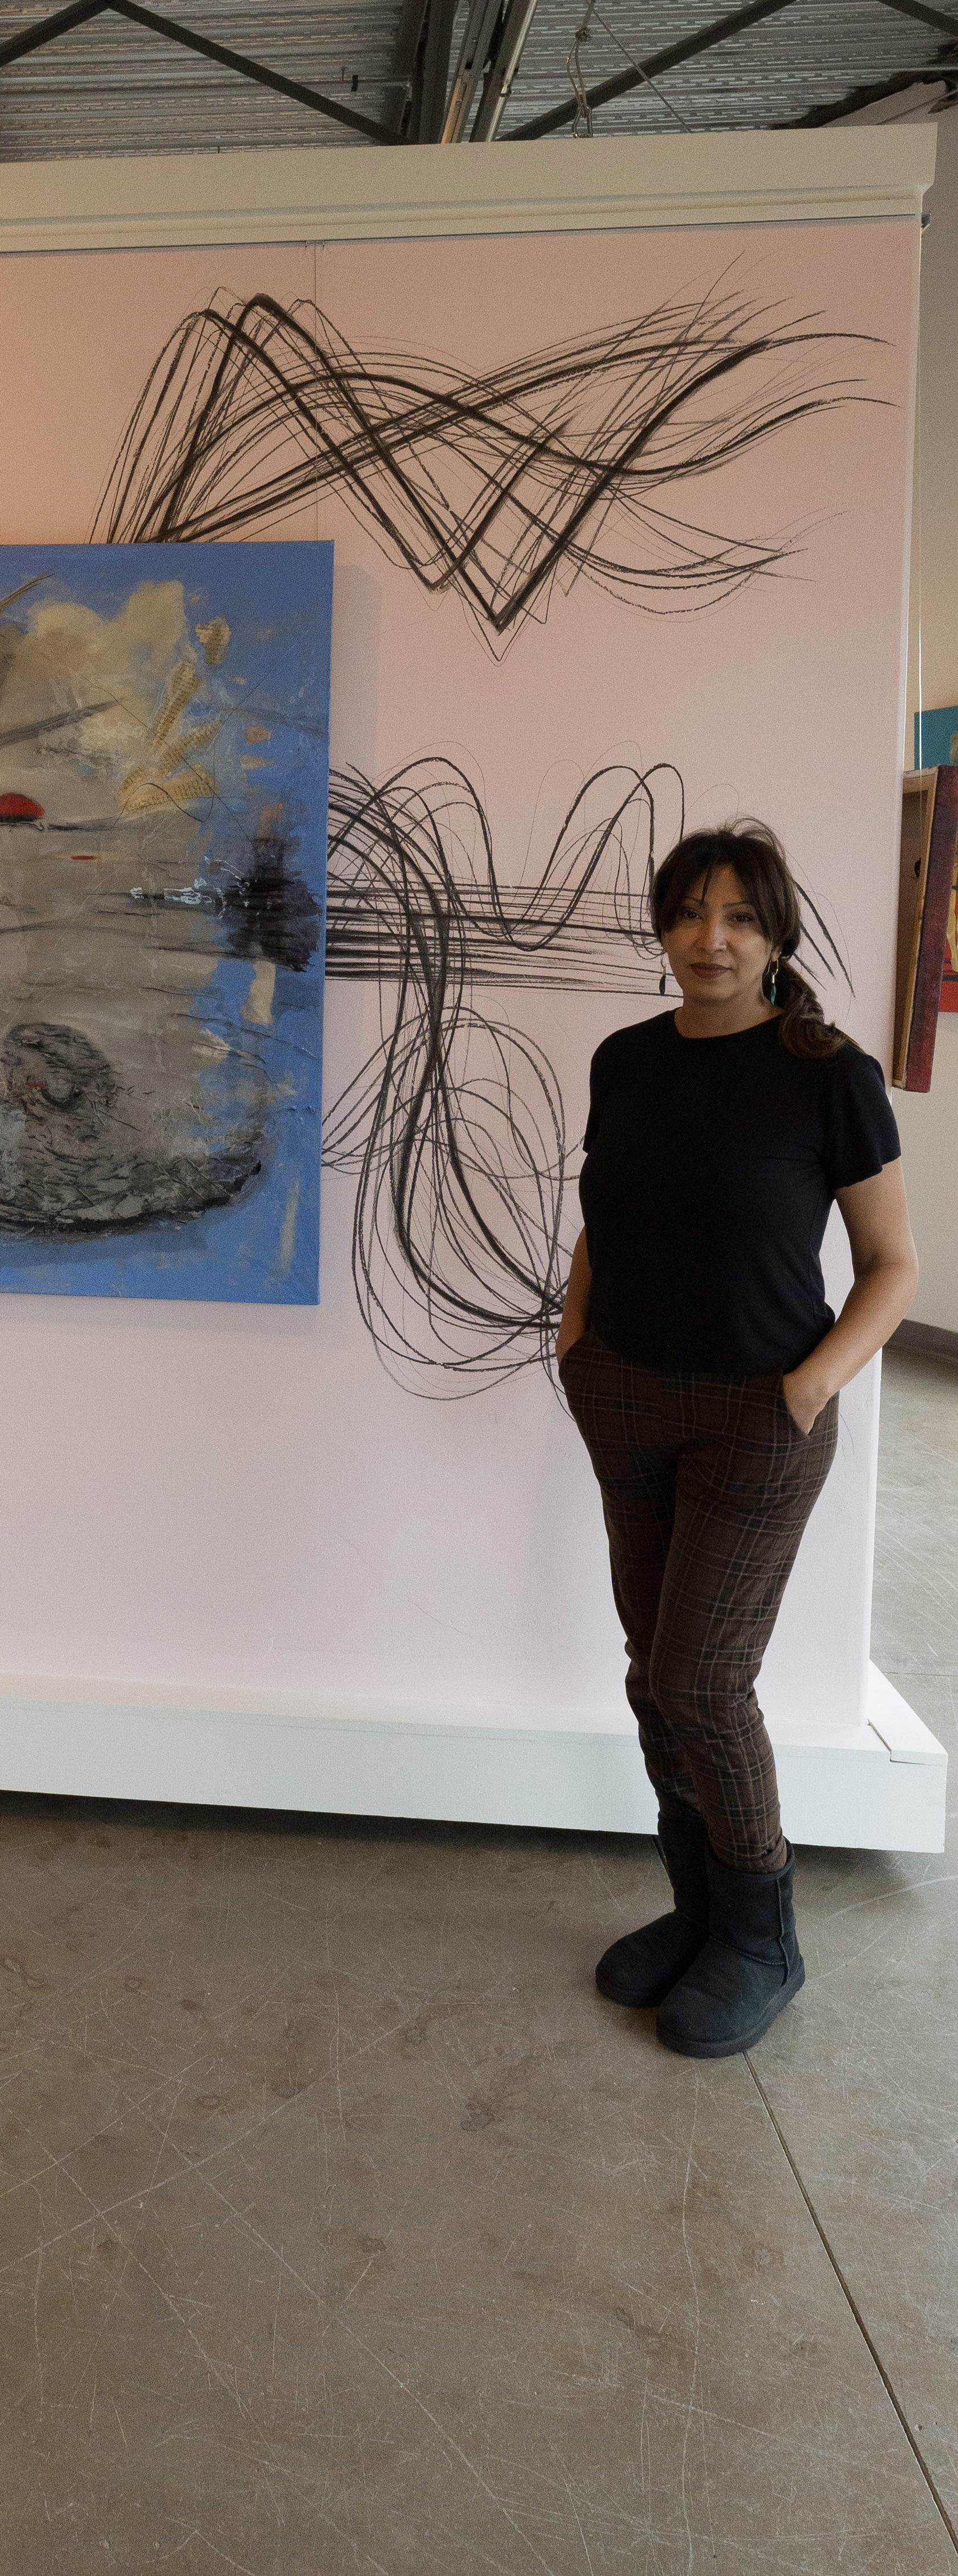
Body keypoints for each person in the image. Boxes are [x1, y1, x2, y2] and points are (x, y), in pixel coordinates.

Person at [556, 823, 917, 2060]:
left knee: (706, 1682)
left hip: (759, 1420)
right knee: (654, 1674)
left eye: (742, 918)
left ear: (777, 936)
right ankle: (699, 1913)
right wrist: (577, 1340)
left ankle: (764, 1937)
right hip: (626, 1400)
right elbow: (605, 1214)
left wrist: (808, 1387)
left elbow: (892, 1267)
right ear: (663, 925)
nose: (714, 940)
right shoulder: (624, 1059)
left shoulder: (829, 1074)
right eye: (692, 912)